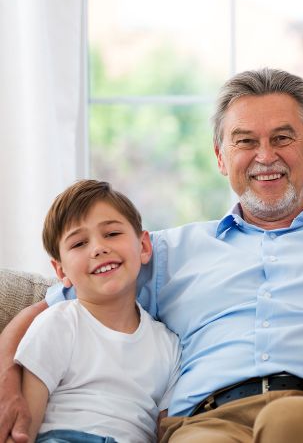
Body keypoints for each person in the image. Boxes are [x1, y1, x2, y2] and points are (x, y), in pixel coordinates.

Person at [0, 68, 303, 443]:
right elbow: (50, 307)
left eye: (282, 138)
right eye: (245, 141)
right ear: (221, 157)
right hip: (208, 421)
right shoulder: (167, 252)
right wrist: (6, 379)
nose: (265, 155)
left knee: (289, 422)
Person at [14, 180, 180, 443]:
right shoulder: (57, 323)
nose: (98, 248)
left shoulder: (169, 345)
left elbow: (166, 431)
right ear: (61, 271)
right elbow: (24, 424)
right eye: (79, 243)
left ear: (144, 247)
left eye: (112, 234)